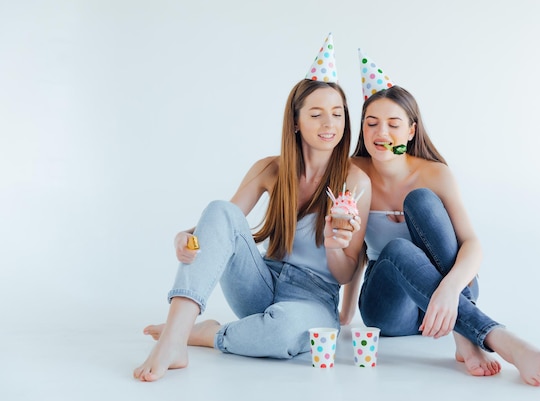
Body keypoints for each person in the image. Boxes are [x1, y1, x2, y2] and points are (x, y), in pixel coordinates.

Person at [133, 34, 371, 382]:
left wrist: (334, 245)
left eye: (337, 114)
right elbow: (221, 224)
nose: (329, 124)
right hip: (260, 283)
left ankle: (209, 334)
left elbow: (346, 274)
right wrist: (185, 238)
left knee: (282, 332)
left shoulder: (356, 182)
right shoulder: (269, 169)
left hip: (314, 299)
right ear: (295, 122)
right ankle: (175, 337)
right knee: (218, 207)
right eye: (316, 114)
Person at [340, 50, 540, 386]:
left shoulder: (435, 174)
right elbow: (353, 249)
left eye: (393, 123)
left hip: (446, 298)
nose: (380, 132)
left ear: (412, 130)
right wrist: (344, 314)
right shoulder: (353, 173)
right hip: (390, 310)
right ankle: (500, 341)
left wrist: (449, 290)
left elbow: (471, 244)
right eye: (371, 123)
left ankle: (463, 333)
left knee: (421, 200)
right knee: (399, 251)